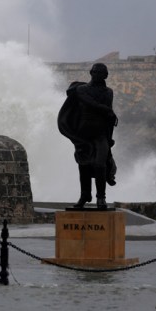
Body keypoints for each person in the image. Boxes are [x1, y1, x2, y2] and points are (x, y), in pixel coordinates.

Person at [57, 63, 118, 210]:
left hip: (101, 134)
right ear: (91, 73)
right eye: (96, 72)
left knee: (100, 164)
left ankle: (101, 197)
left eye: (102, 73)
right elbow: (90, 103)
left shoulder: (108, 92)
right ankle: (85, 195)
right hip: (83, 135)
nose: (99, 75)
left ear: (106, 76)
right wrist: (105, 110)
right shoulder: (81, 90)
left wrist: (110, 137)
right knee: (83, 165)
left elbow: (107, 116)